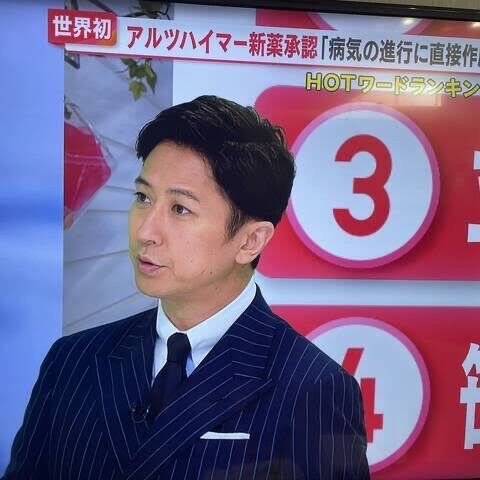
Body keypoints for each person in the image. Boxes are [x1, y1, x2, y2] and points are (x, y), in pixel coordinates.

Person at [4, 95, 369, 479]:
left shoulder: (313, 387)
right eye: (143, 198)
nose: (145, 231)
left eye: (180, 209)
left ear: (250, 241)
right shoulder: (71, 361)